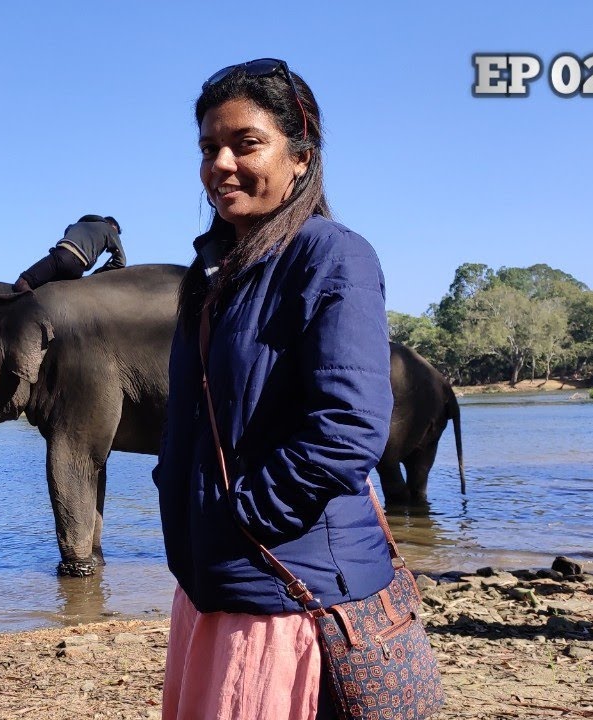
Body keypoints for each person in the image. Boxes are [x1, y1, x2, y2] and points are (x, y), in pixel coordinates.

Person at [153, 59, 395, 720]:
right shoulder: (210, 276)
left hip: (283, 592)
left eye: (245, 143)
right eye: (209, 148)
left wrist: (238, 518)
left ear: (300, 156)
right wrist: (177, 498)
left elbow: (349, 429)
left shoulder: (332, 256)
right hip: (211, 588)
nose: (220, 164)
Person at [11, 215, 126, 293]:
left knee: (22, 283)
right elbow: (121, 261)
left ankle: (34, 312)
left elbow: (67, 230)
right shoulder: (109, 229)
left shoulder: (79, 224)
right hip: (77, 270)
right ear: (111, 225)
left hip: (61, 256)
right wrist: (99, 272)